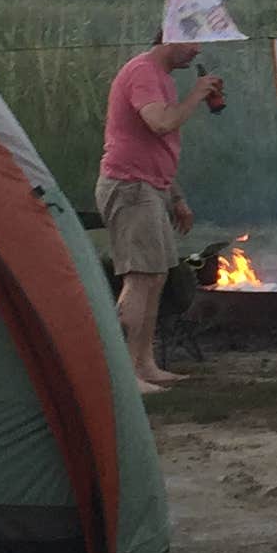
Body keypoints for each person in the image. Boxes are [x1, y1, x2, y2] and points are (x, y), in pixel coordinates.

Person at [100, 27, 225, 391]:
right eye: (192, 42)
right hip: (129, 187)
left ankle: (145, 365)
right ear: (168, 37)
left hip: (151, 188)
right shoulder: (142, 72)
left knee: (155, 277)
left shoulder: (164, 80)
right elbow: (161, 123)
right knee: (139, 278)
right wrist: (197, 95)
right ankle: (122, 374)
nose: (196, 51)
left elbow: (160, 148)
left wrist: (176, 197)